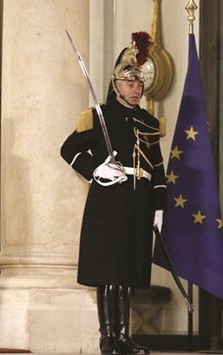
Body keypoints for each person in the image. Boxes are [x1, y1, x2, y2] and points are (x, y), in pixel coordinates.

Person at [60, 32, 166, 355]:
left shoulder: (148, 122)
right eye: (130, 83)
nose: (136, 89)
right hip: (109, 201)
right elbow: (68, 150)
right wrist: (95, 169)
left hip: (138, 202)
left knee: (128, 272)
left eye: (140, 85)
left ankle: (124, 335)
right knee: (109, 272)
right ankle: (108, 337)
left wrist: (159, 208)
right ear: (117, 84)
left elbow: (158, 171)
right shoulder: (99, 117)